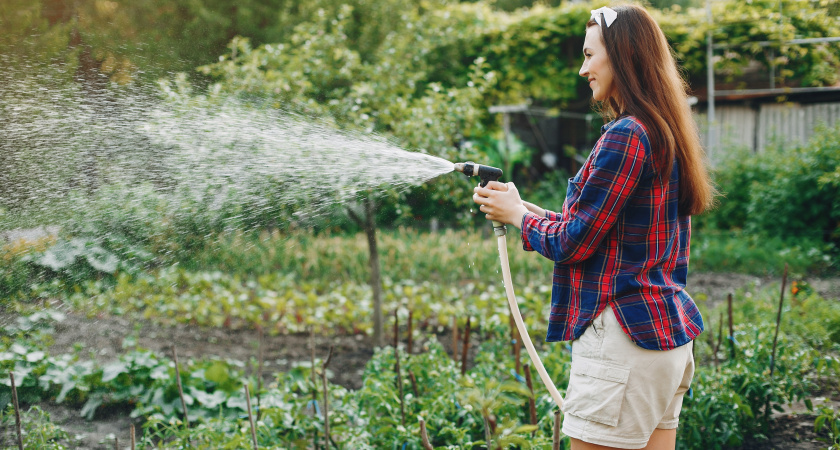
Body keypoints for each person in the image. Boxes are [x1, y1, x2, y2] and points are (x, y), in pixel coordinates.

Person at [472, 5, 716, 450]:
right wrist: (522, 209)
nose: (583, 69)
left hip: (624, 345)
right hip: (664, 341)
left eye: (589, 55)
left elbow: (572, 243)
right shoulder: (663, 130)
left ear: (623, 56)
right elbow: (598, 230)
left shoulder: (626, 135)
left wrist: (519, 219)